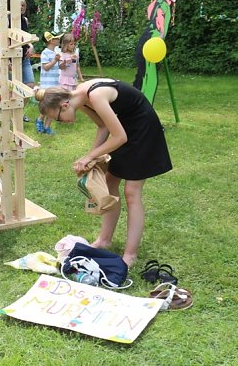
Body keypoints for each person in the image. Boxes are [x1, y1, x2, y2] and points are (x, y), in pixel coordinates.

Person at [34, 79, 173, 267]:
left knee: (132, 192)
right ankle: (104, 240)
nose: (62, 122)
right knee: (109, 185)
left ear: (64, 105)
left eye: (58, 118)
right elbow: (104, 126)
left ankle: (130, 254)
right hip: (123, 128)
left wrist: (89, 156)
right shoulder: (80, 98)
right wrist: (90, 158)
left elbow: (119, 137)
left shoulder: (95, 95)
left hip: (142, 130)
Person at [34, 31, 61, 135]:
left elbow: (58, 68)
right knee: (47, 105)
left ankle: (47, 127)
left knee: (53, 105)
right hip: (46, 84)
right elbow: (46, 68)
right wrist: (55, 60)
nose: (59, 40)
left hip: (55, 83)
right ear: (51, 41)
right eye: (57, 38)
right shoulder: (45, 53)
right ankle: (40, 120)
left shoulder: (55, 53)